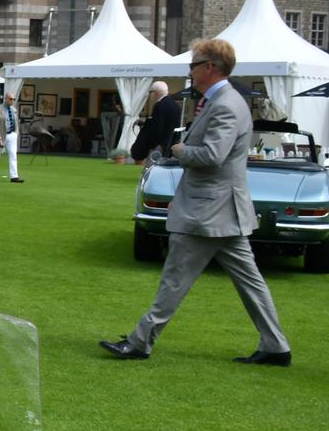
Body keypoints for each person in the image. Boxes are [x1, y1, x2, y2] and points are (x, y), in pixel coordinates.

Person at [100, 39, 291, 366]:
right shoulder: (220, 101)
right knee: (251, 283)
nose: (189, 70)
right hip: (221, 211)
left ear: (210, 67)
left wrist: (181, 151)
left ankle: (140, 341)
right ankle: (275, 346)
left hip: (209, 212)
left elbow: (213, 156)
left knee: (175, 280)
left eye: (193, 64)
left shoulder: (226, 105)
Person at [131, 81, 182, 165]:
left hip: (160, 144)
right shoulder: (175, 105)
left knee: (153, 166)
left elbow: (157, 128)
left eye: (151, 92)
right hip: (171, 142)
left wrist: (151, 144)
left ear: (156, 92)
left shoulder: (159, 105)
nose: (150, 95)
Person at [0, 92, 23, 183]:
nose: (12, 101)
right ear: (6, 99)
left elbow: (16, 122)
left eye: (13, 99)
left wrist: (16, 133)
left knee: (13, 155)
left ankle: (14, 176)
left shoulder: (14, 110)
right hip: (2, 135)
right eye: (11, 99)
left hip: (12, 135)